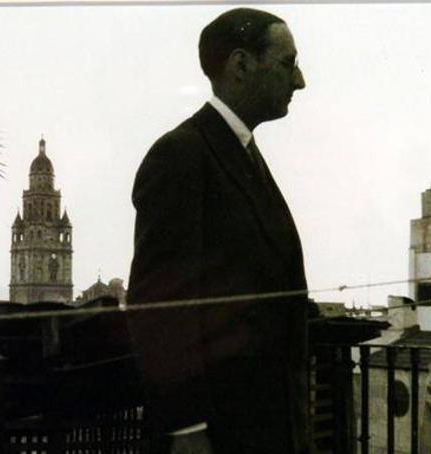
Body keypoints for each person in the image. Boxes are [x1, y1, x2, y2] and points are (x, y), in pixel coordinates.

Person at [127, 8, 311, 454]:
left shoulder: (241, 152)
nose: (300, 80)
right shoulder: (181, 155)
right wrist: (187, 429)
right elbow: (158, 306)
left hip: (262, 425)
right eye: (287, 63)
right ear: (242, 65)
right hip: (218, 433)